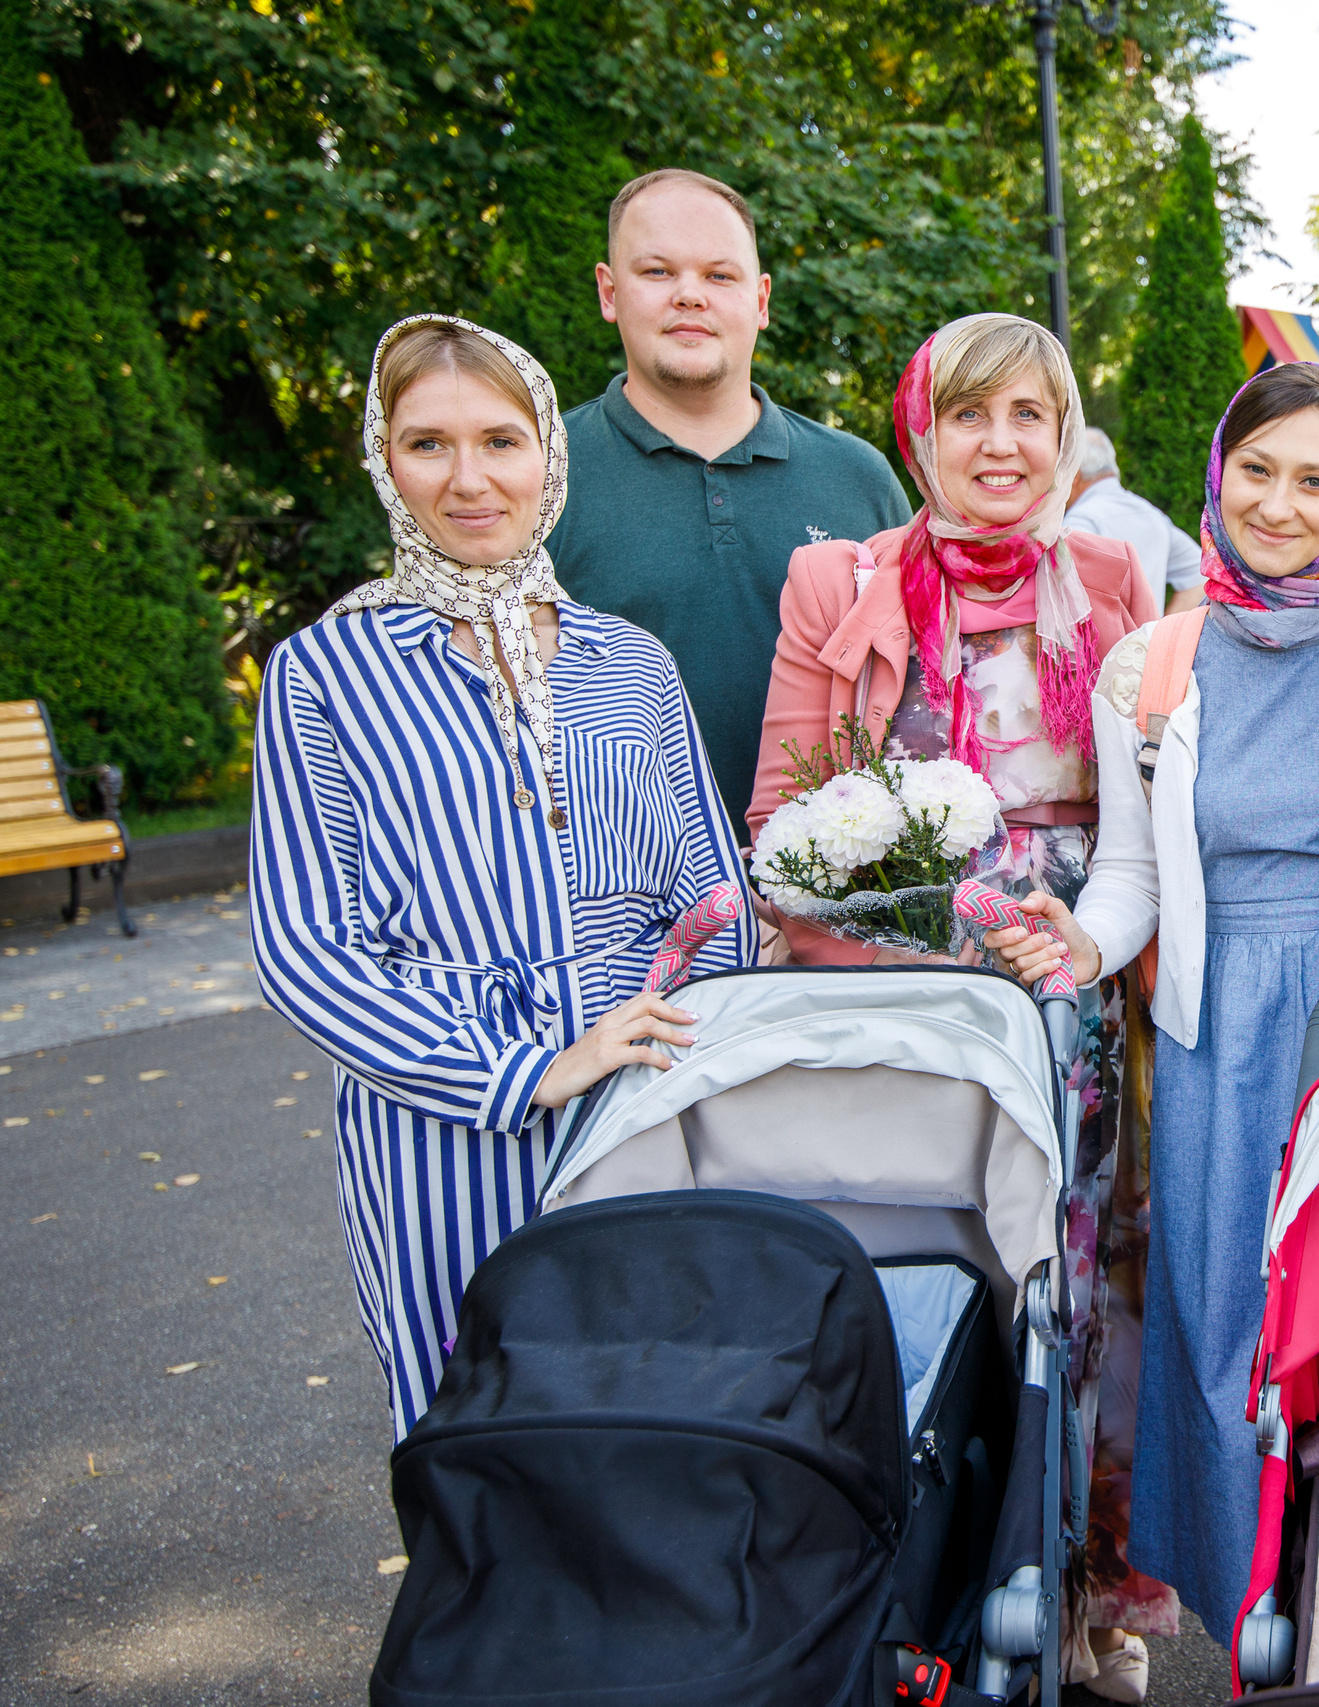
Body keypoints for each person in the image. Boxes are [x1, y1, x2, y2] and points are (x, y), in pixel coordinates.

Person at [984, 361, 1319, 1644]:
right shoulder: (1152, 660)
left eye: (1317, 479)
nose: (1281, 504)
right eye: (1258, 470)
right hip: (1218, 1034)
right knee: (1226, 1322)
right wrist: (1082, 943)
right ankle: (1255, 1607)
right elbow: (1132, 873)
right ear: (1215, 473)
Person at [747, 310, 1163, 1696]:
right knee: (923, 1270)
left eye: (1029, 416)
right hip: (896, 985)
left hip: (1064, 985)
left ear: (1063, 437)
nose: (1000, 444)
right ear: (919, 431)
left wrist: (1087, 942)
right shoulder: (836, 578)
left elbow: (1157, 813)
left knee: (1079, 1275)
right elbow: (786, 815)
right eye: (970, 414)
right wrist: (895, 949)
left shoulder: (1113, 576)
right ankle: (905, 1574)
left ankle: (1076, 1575)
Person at [250, 316, 753, 1435]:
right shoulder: (325, 674)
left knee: (661, 1404)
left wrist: (690, 1053)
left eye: (501, 441)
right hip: (441, 1127)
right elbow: (303, 948)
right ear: (385, 462)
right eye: (428, 445)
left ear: (548, 457)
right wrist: (520, 1073)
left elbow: (716, 897)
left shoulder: (630, 660)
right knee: (474, 1419)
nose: (469, 480)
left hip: (644, 1096)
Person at [545, 168, 910, 837]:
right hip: (613, 911)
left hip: (841, 905)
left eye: (720, 275)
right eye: (657, 272)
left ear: (761, 299)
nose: (690, 295)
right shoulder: (538, 477)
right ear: (609, 291)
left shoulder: (858, 477)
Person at [1067, 426, 1207, 613]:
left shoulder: (1080, 520)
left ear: (1074, 475)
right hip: (1148, 642)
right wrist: (1160, 634)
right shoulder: (1151, 514)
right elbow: (1202, 573)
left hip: (1103, 643)